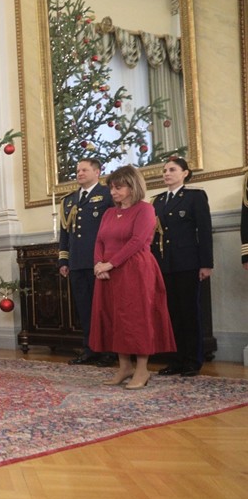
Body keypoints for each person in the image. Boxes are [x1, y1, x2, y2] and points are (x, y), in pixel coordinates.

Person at [90, 165, 175, 389]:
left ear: (133, 186)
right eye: (111, 188)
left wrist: (110, 263)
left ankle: (142, 370)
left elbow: (137, 241)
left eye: (118, 187)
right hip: (108, 273)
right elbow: (99, 240)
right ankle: (124, 367)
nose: (113, 192)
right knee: (115, 318)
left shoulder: (145, 209)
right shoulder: (109, 213)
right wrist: (98, 264)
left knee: (136, 319)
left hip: (135, 270)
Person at [151, 158, 213, 377]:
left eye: (172, 170)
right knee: (171, 313)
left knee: (189, 312)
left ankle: (192, 360)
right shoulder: (158, 201)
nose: (166, 173)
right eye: (164, 170)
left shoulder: (194, 197)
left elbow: (204, 231)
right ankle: (175, 359)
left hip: (187, 263)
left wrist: (206, 263)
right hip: (164, 264)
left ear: (185, 173)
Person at [58, 158, 115, 366]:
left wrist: (108, 260)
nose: (80, 173)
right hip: (77, 262)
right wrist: (63, 260)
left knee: (103, 309)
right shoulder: (69, 200)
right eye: (78, 170)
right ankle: (90, 350)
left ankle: (109, 351)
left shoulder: (107, 194)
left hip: (100, 262)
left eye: (84, 170)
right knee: (84, 309)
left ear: (97, 172)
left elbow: (113, 229)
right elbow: (65, 233)